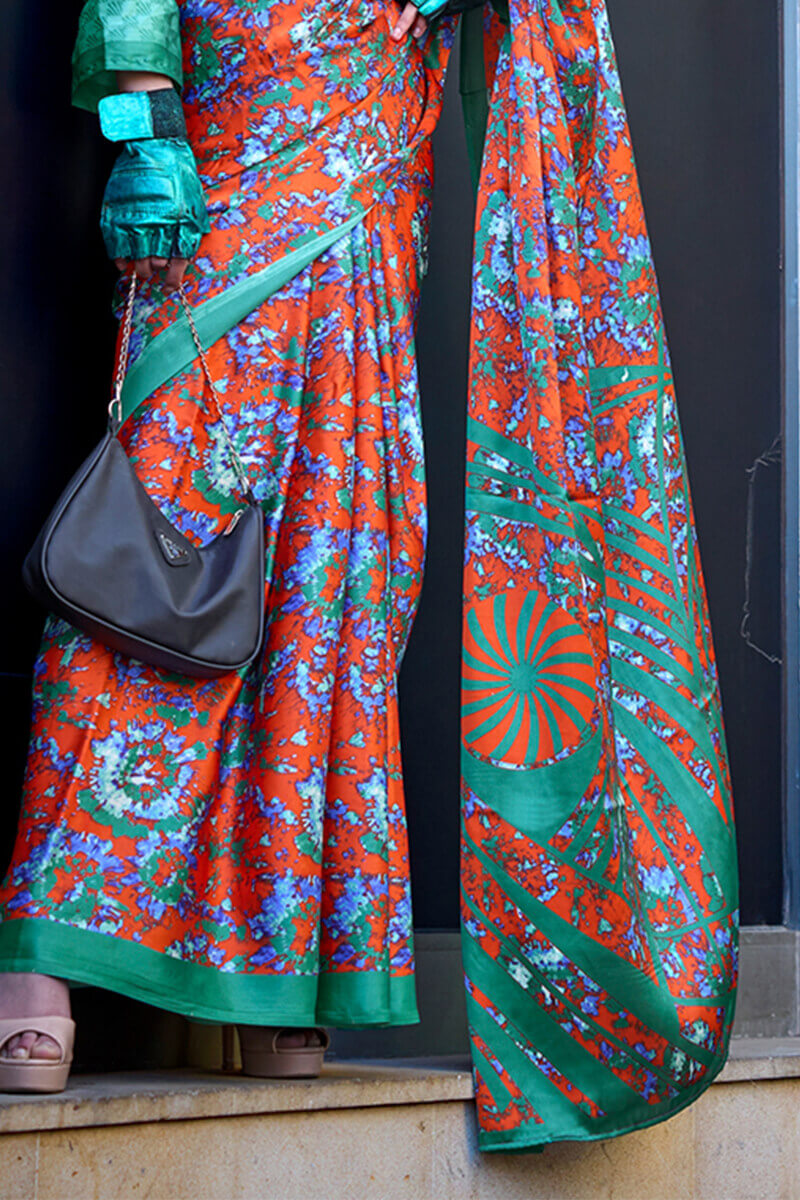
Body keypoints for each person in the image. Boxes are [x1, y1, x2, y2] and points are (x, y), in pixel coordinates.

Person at [0, 0, 461, 1092]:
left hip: (367, 226)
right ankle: (38, 970)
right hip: (233, 198)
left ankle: (276, 967)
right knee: (150, 573)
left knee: (327, 601)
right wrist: (143, 125)